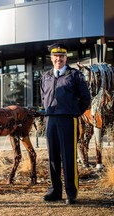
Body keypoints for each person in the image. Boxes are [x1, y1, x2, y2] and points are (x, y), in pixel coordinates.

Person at [40, 43, 91, 205]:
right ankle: (55, 191)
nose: (58, 59)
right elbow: (43, 97)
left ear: (66, 57)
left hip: (68, 120)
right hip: (51, 120)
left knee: (68, 157)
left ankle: (71, 193)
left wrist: (74, 113)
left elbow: (85, 98)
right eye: (55, 56)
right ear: (51, 58)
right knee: (53, 158)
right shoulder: (46, 76)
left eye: (61, 56)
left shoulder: (75, 75)